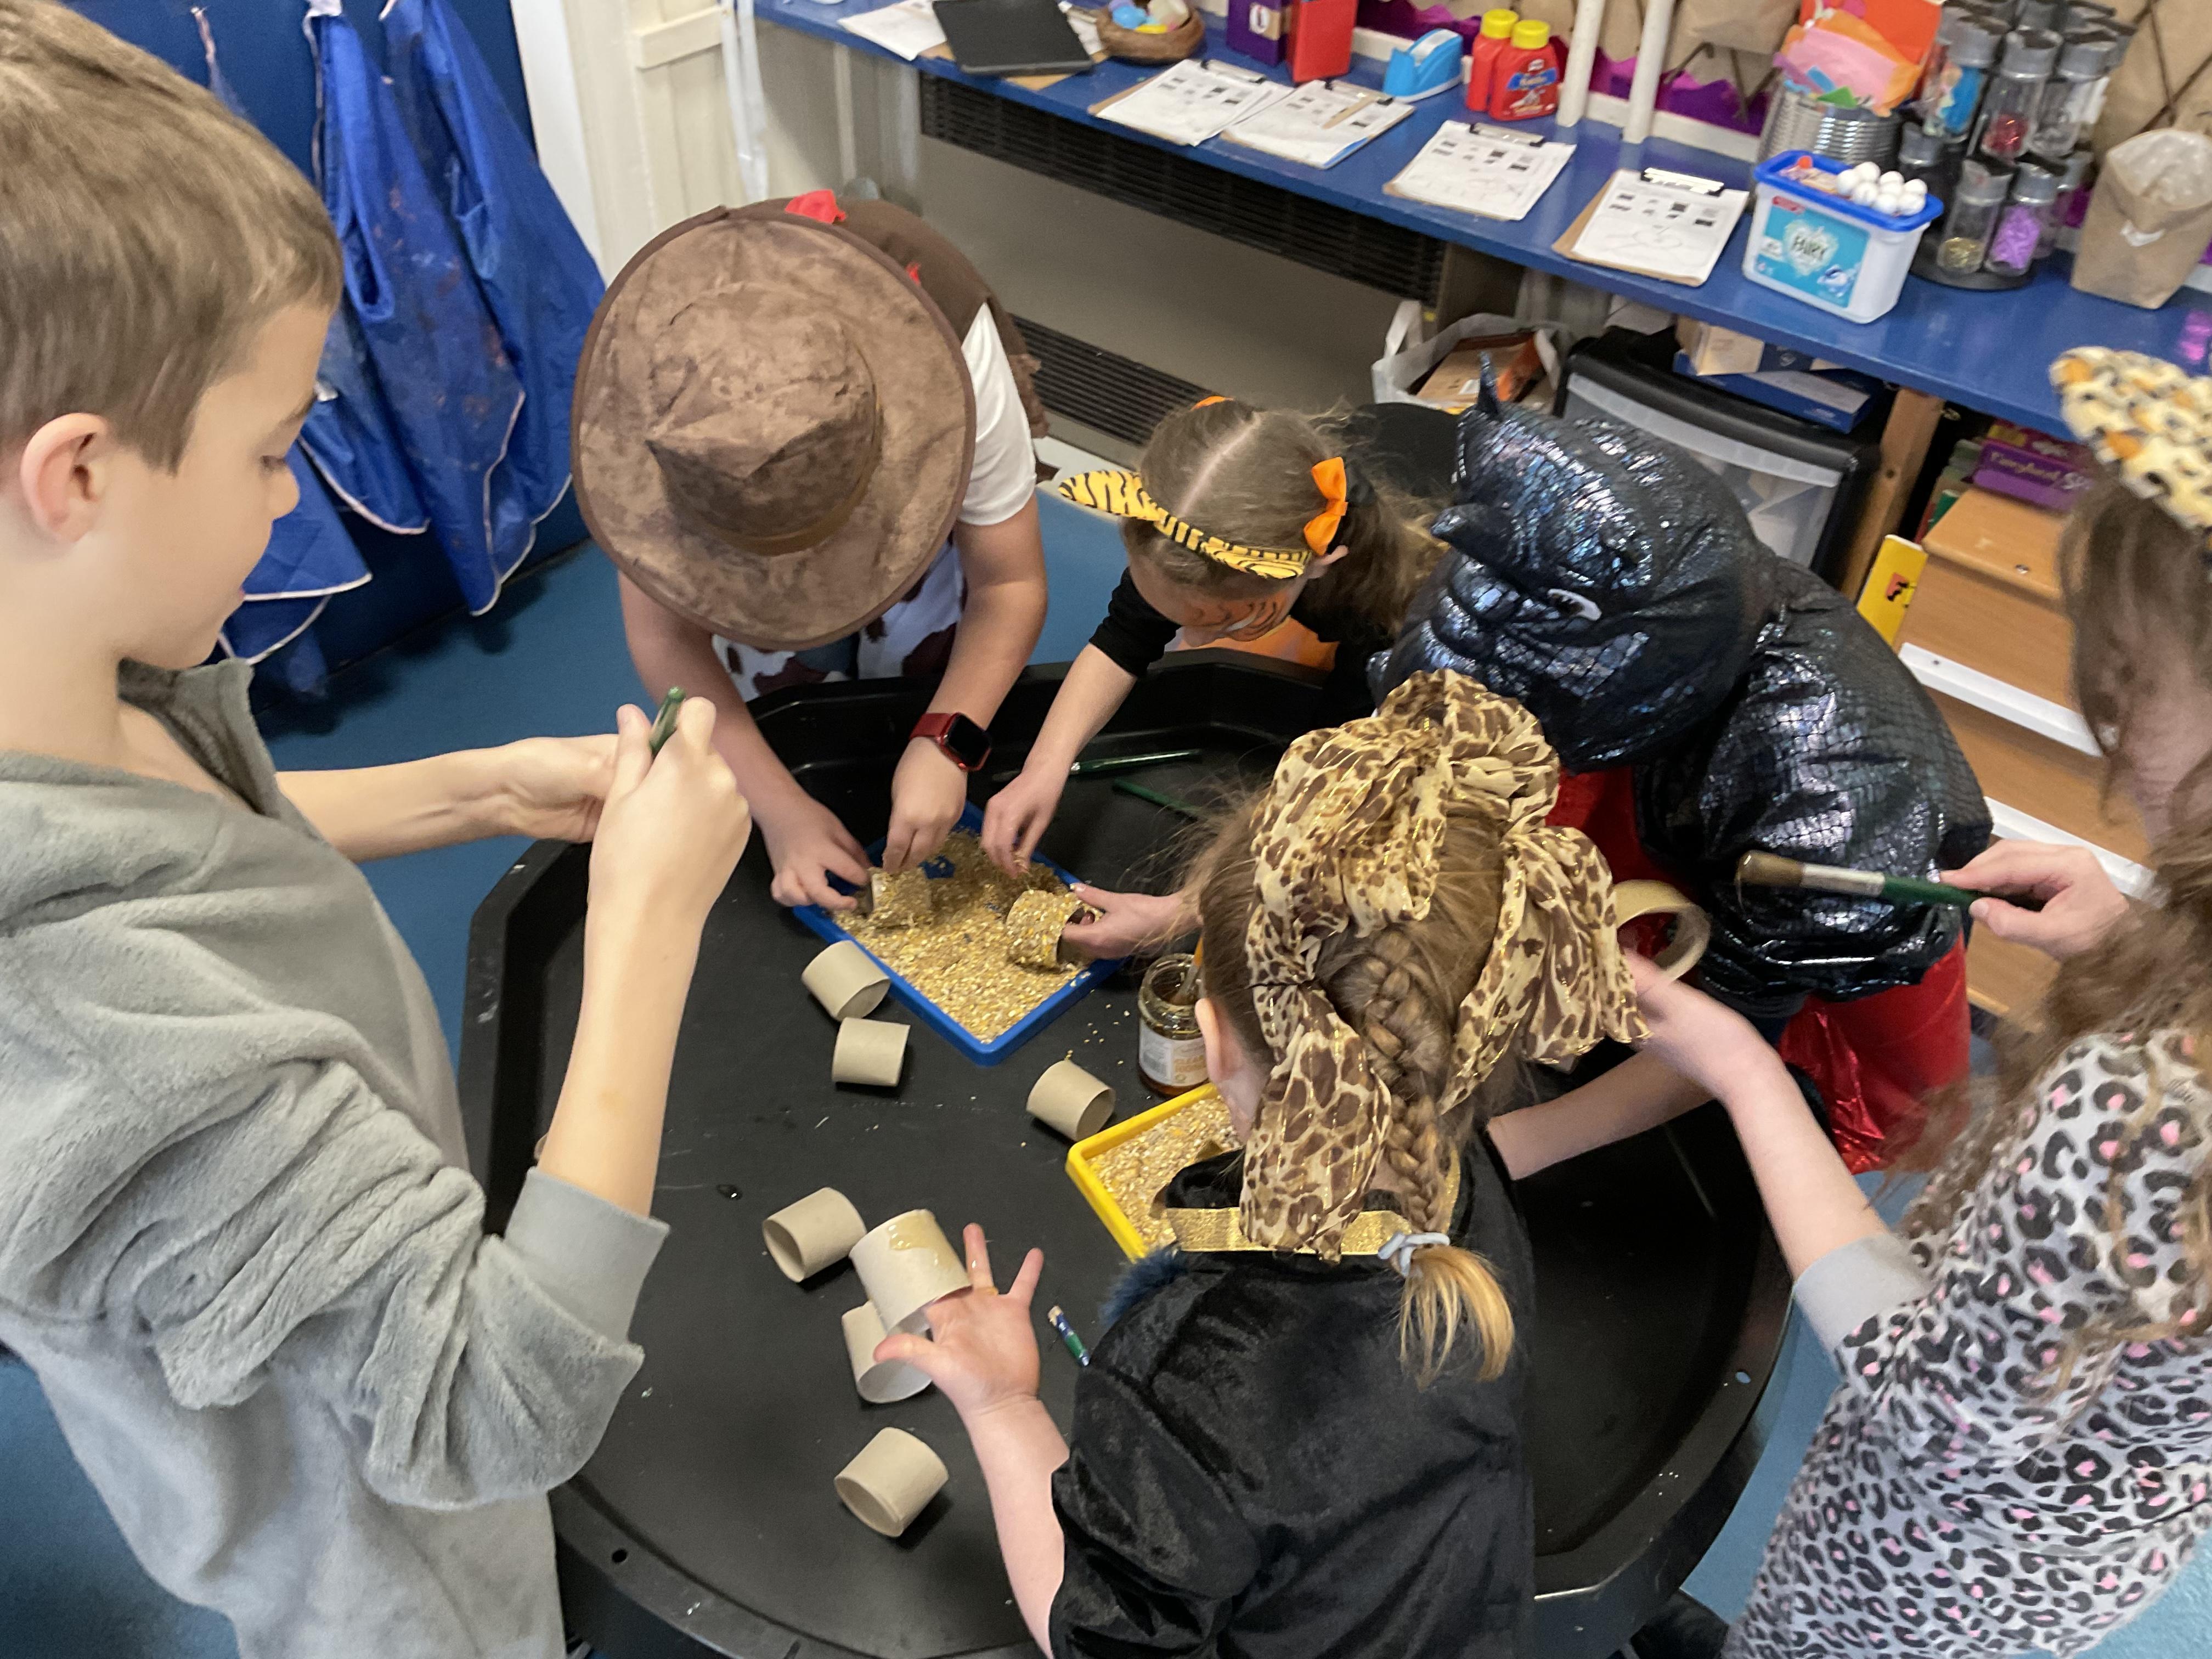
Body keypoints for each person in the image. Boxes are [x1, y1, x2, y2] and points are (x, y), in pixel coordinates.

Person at [0, 7, 751, 1655]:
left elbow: (198, 847)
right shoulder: (94, 1055)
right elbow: (497, 1406)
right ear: (79, 476)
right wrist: (645, 927)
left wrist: (473, 791)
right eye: (275, 450)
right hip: (389, 1561)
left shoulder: (78, 703)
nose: (291, 497)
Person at [879, 671, 1735, 1657]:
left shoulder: (1190, 1377)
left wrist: (1003, 1405)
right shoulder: (1464, 1182)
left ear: (1214, 1043)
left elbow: (1100, 1641)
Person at [1633, 346, 2212, 1659]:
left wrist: (1744, 1070)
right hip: (2108, 1514)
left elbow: (1935, 1405)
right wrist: (2129, 938)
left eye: (2135, 680)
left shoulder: (2135, 1114)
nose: (2110, 720)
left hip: (1936, 1559)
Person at [1379, 381, 1990, 1173]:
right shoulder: (1600, 587)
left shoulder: (1831, 796)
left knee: (1801, 1141)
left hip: (1827, 968)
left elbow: (1733, 1043)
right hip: (1680, 808)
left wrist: (1496, 1158)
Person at [586, 192, 1051, 907]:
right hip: (733, 504)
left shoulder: (953, 361)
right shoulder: (653, 398)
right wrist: (777, 808)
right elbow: (665, 635)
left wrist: (945, 736)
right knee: (782, 699)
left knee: (923, 657)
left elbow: (1007, 585)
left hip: (913, 460)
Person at [981, 398, 1444, 932]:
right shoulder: (1190, 529)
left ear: (1315, 569)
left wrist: (1184, 911)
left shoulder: (1394, 623)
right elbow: (1123, 639)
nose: (1191, 641)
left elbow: (1343, 782)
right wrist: (1043, 768)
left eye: (1225, 619)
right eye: (1173, 614)